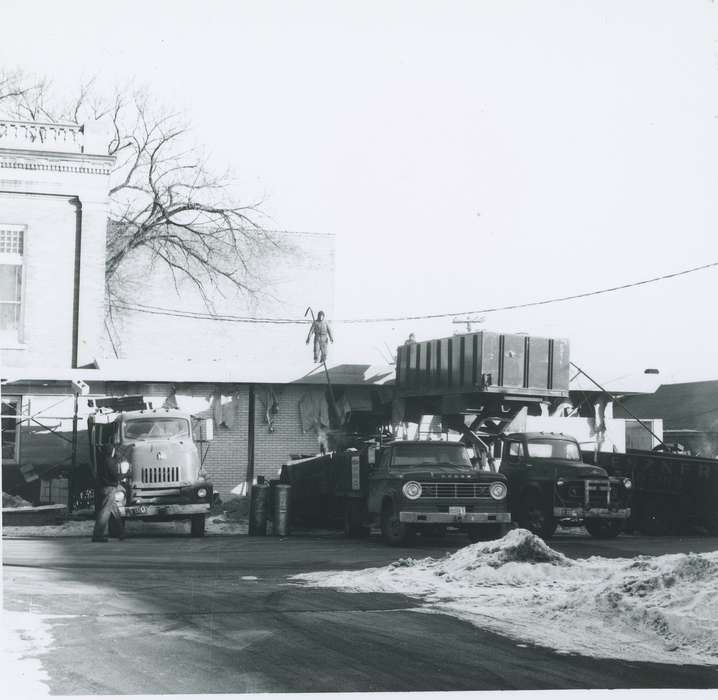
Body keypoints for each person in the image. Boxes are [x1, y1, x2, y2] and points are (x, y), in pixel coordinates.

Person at [92, 445, 126, 542]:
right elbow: (114, 474)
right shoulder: (110, 461)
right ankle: (97, 536)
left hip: (103, 487)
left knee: (115, 511)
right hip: (109, 488)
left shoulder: (102, 461)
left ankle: (121, 533)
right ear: (111, 451)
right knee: (105, 512)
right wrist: (123, 476)